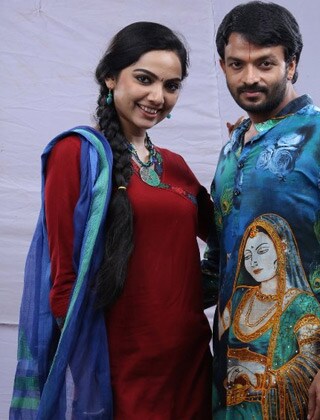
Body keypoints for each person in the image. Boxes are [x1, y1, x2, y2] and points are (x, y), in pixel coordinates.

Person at [10, 22, 216, 419]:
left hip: (189, 358)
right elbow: (64, 282)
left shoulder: (175, 166)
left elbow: (230, 236)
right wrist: (87, 380)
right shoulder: (77, 154)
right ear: (110, 77)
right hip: (119, 365)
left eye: (171, 86)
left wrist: (243, 153)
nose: (157, 97)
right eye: (144, 79)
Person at [208, 2, 320, 419]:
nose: (250, 77)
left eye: (265, 63)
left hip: (304, 375)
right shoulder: (232, 148)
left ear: (292, 65)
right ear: (222, 66)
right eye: (237, 64)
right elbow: (220, 261)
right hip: (228, 376)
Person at [219, 213, 320, 418]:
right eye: (247, 256)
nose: (254, 261)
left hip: (268, 410)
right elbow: (219, 344)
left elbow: (312, 363)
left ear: (281, 249)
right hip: (229, 411)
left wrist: (261, 380)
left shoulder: (302, 304)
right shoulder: (238, 297)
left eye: (262, 251)